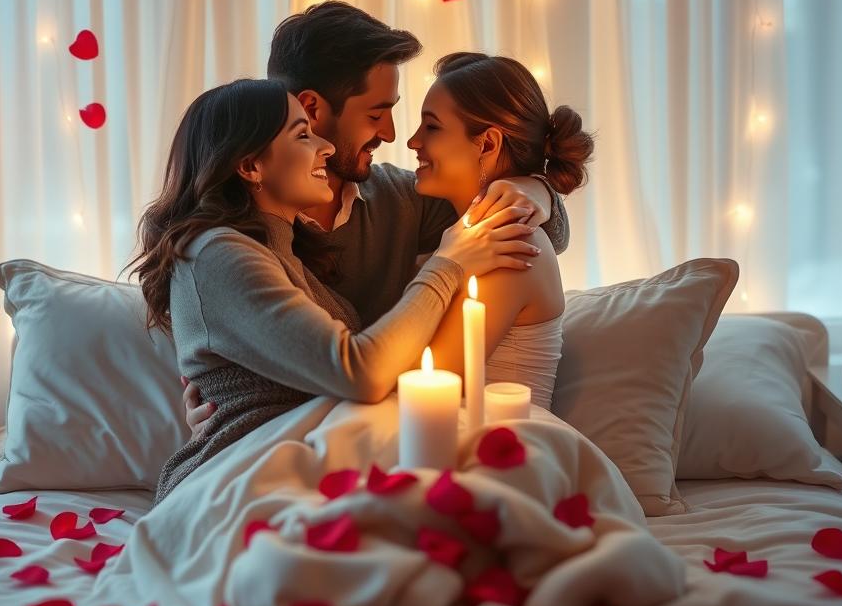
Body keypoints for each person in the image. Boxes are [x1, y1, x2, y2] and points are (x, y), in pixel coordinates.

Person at [127, 79, 542, 506]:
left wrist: (535, 191)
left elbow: (524, 207)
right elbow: (359, 372)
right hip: (238, 480)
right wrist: (448, 265)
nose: (324, 148)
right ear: (251, 166)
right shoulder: (216, 253)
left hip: (289, 467)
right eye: (303, 134)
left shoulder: (282, 249)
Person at [181, 1, 572, 440]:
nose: (392, 134)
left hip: (363, 433)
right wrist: (234, 408)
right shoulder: (233, 243)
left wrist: (532, 189)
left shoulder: (402, 197)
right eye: (375, 113)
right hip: (311, 437)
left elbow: (538, 232)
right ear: (311, 108)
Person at [406, 52, 594, 407]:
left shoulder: (507, 241)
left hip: (493, 446)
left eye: (431, 127)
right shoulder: (467, 228)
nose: (413, 141)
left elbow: (428, 389)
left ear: (488, 144)